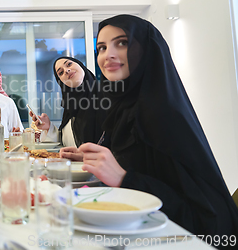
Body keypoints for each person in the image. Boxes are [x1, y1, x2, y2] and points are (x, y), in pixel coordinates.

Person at [77, 14, 238, 238]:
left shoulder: (160, 114)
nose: (108, 55)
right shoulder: (123, 108)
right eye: (102, 47)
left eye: (122, 43)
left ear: (146, 50)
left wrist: (124, 178)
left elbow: (207, 218)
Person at [29, 57, 105, 160]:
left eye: (69, 64)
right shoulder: (71, 108)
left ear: (80, 65)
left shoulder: (107, 99)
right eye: (60, 73)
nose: (66, 70)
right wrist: (48, 127)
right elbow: (68, 143)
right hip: (74, 172)